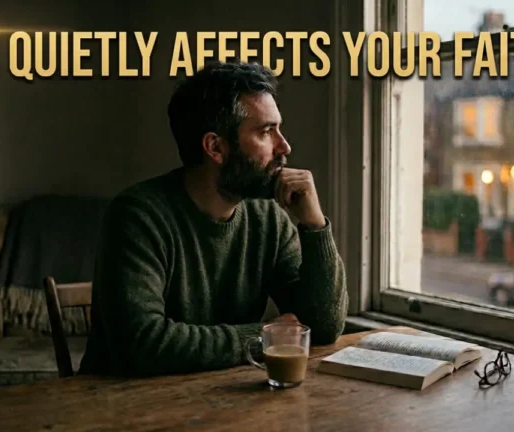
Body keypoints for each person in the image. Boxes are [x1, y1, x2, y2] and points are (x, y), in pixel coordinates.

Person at [78, 61, 349, 377]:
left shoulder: (268, 219)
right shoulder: (137, 216)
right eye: (266, 132)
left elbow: (323, 326)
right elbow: (141, 345)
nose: (284, 146)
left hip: (220, 394)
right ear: (215, 147)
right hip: (119, 400)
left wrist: (315, 226)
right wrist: (262, 336)